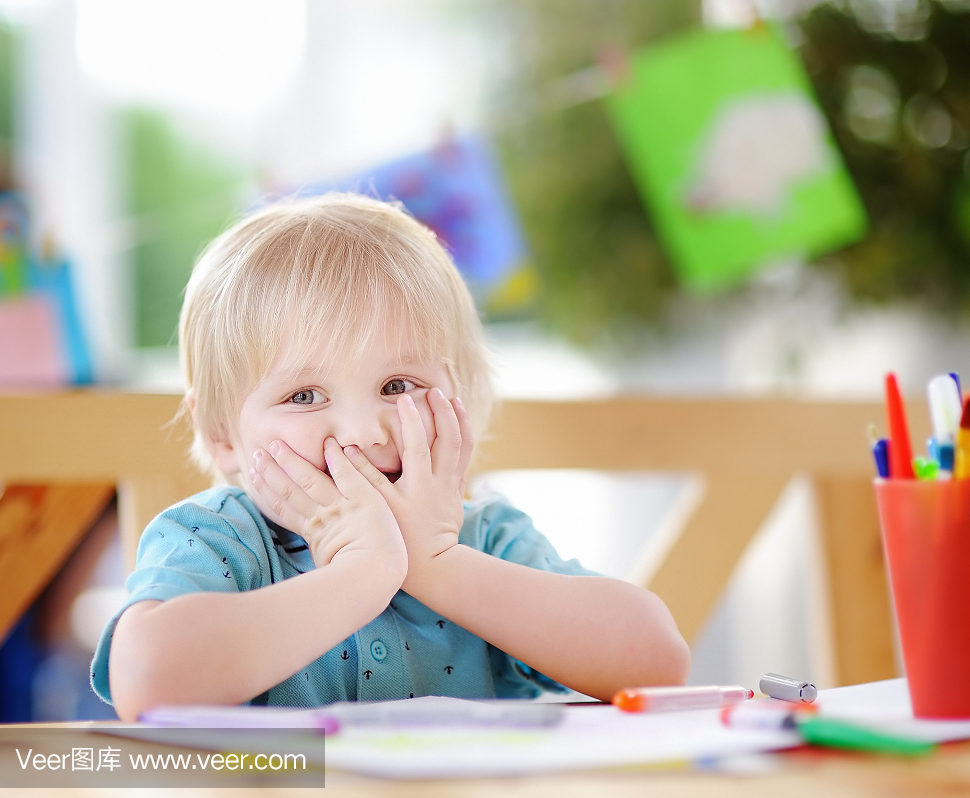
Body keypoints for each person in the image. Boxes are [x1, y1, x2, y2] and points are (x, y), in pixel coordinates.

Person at [93, 194, 689, 719]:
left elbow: (657, 659)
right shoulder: (223, 539)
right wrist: (360, 575)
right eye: (304, 395)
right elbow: (148, 681)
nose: (361, 433)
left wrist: (435, 561)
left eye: (398, 385)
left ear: (457, 399)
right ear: (223, 435)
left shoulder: (480, 538)